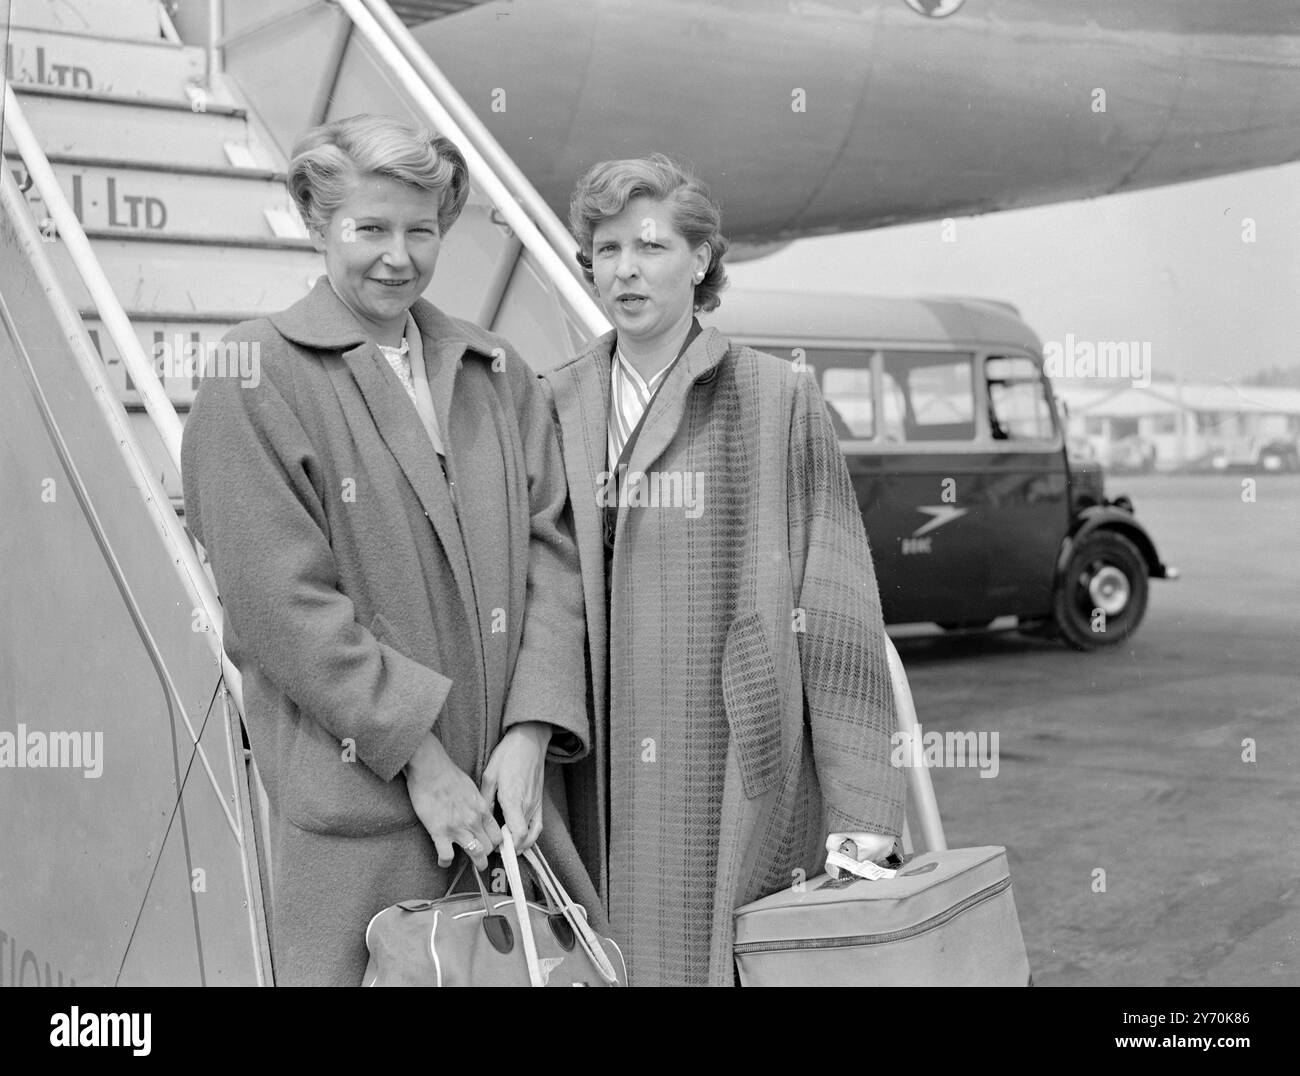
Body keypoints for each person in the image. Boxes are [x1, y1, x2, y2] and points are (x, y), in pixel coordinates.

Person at [181, 114, 593, 985]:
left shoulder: (498, 373)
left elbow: (550, 557)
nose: (397, 256)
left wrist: (528, 734)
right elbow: (283, 607)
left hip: (511, 807)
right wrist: (423, 760)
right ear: (314, 221)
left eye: (421, 229)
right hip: (368, 811)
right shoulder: (255, 374)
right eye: (369, 228)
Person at [542, 154, 906, 986]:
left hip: (733, 762)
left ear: (702, 259)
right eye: (604, 251)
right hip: (592, 768)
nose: (625, 270)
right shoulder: (553, 401)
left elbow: (841, 615)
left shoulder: (777, 398)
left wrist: (863, 830)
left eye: (651, 247)